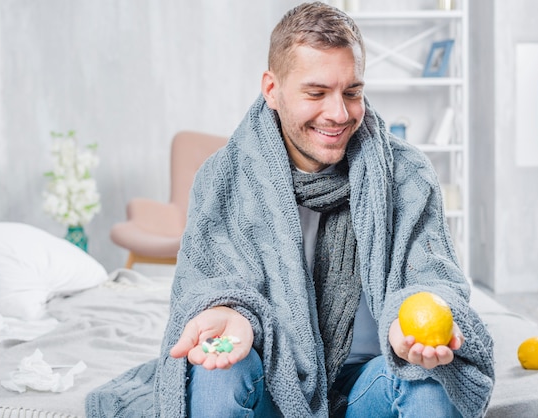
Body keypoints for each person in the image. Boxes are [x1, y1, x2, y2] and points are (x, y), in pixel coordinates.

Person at [86, 2, 495, 417]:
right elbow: (208, 283)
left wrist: (408, 330)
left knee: (429, 382)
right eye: (316, 93)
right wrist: (232, 313)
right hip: (273, 379)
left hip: (371, 380)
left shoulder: (406, 173)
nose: (338, 113)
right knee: (214, 367)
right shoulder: (224, 178)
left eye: (352, 92)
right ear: (272, 89)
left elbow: (435, 277)